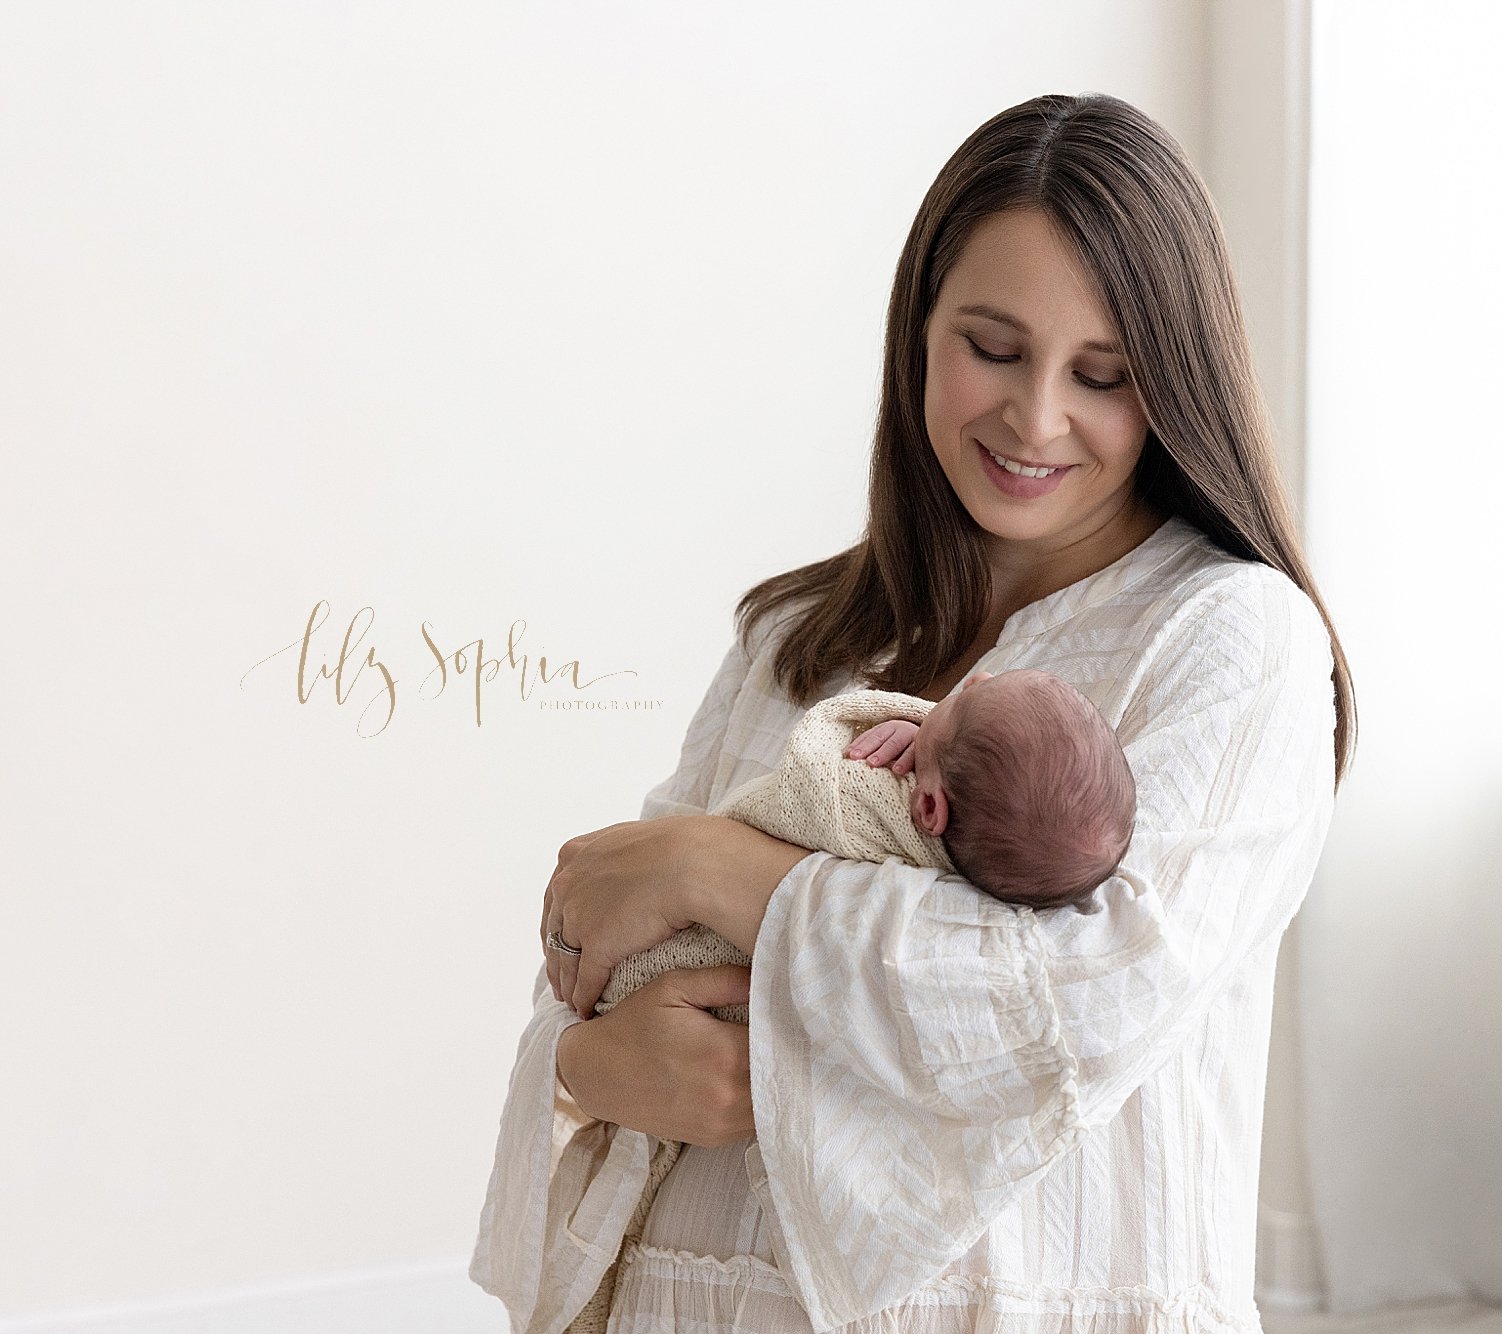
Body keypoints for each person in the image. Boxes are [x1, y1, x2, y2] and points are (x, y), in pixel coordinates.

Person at [471, 90, 1358, 1334]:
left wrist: (724, 868)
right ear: (917, 331)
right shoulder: (797, 636)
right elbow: (599, 954)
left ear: (1174, 386)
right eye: (991, 347)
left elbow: (1075, 1007)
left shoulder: (1231, 638)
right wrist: (581, 1065)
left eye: (1102, 375)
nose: (1035, 416)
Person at [550, 668, 1132, 1334]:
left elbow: (1029, 998)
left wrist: (702, 862)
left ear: (931, 811)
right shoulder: (785, 632)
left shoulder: (879, 802)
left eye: (962, 702)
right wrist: (583, 1059)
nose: (974, 679)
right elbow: (614, 893)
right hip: (664, 1287)